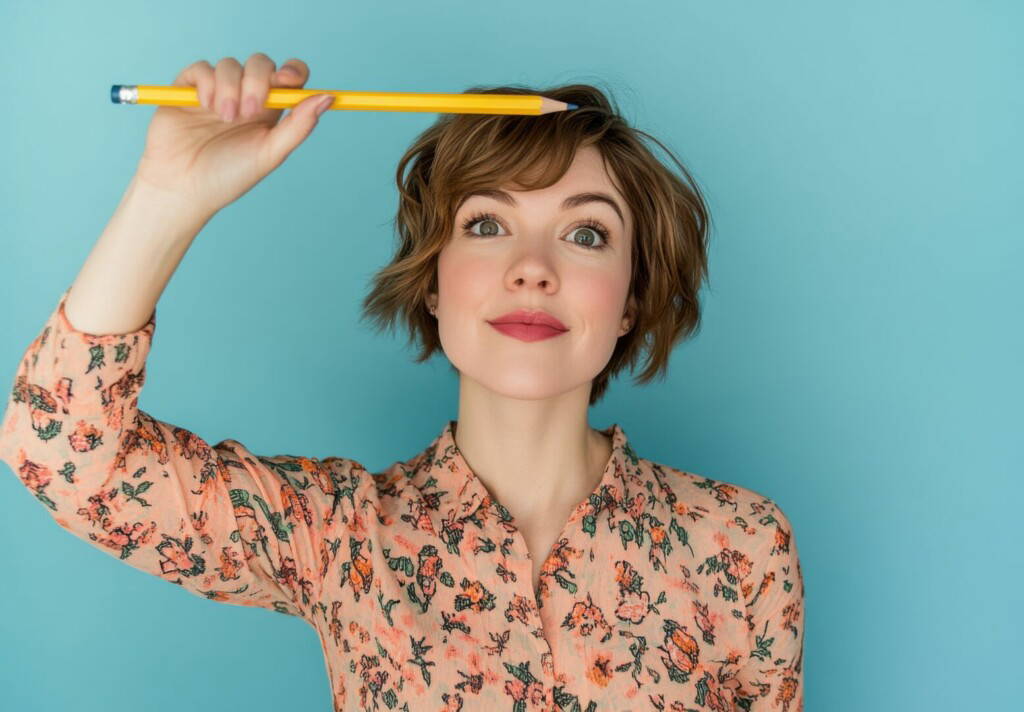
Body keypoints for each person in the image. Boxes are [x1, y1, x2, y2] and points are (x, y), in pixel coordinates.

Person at [0, 53, 804, 710]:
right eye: (486, 225)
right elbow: (65, 455)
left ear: (631, 299)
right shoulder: (338, 539)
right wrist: (166, 197)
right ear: (432, 280)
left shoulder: (740, 545)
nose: (532, 270)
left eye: (586, 233)